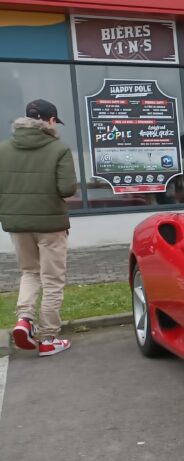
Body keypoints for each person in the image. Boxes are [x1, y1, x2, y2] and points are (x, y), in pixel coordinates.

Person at [0, 99, 78, 357]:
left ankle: (24, 320)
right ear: (51, 120)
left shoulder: (4, 149)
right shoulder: (59, 148)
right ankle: (48, 338)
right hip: (51, 224)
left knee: (29, 272)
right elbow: (67, 189)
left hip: (18, 224)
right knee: (52, 279)